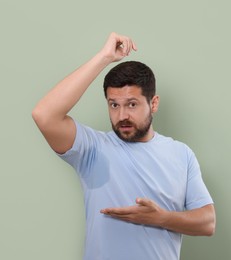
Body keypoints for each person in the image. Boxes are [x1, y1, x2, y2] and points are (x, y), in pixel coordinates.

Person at [32, 32, 216, 260]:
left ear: (154, 103)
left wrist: (160, 218)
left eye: (132, 104)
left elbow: (207, 222)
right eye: (114, 105)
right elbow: (44, 115)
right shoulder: (92, 149)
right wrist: (104, 57)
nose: (122, 115)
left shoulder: (181, 154)